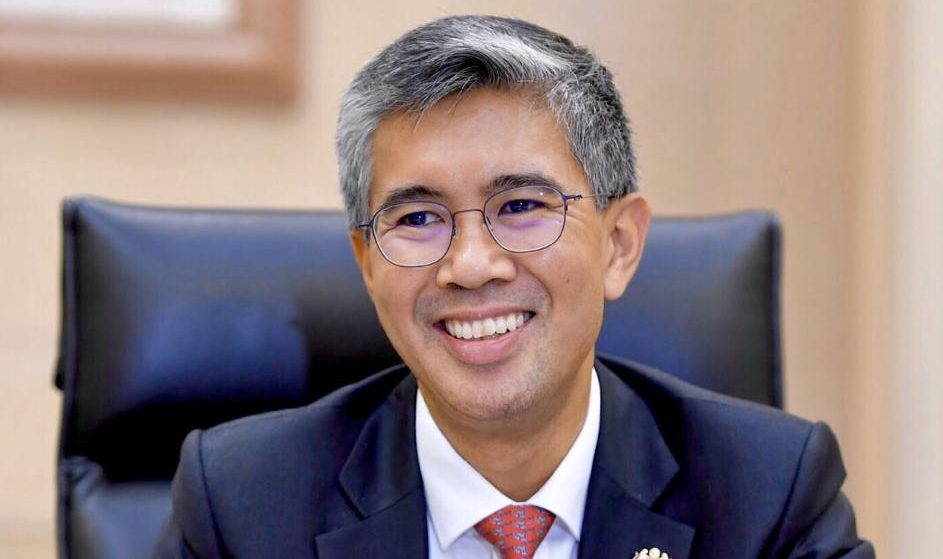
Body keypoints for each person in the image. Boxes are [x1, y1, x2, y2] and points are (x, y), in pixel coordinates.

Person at [153, 15, 873, 559]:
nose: (471, 264)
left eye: (522, 206)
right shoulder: (242, 505)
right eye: (418, 218)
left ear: (619, 244)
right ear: (367, 262)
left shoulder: (769, 498)